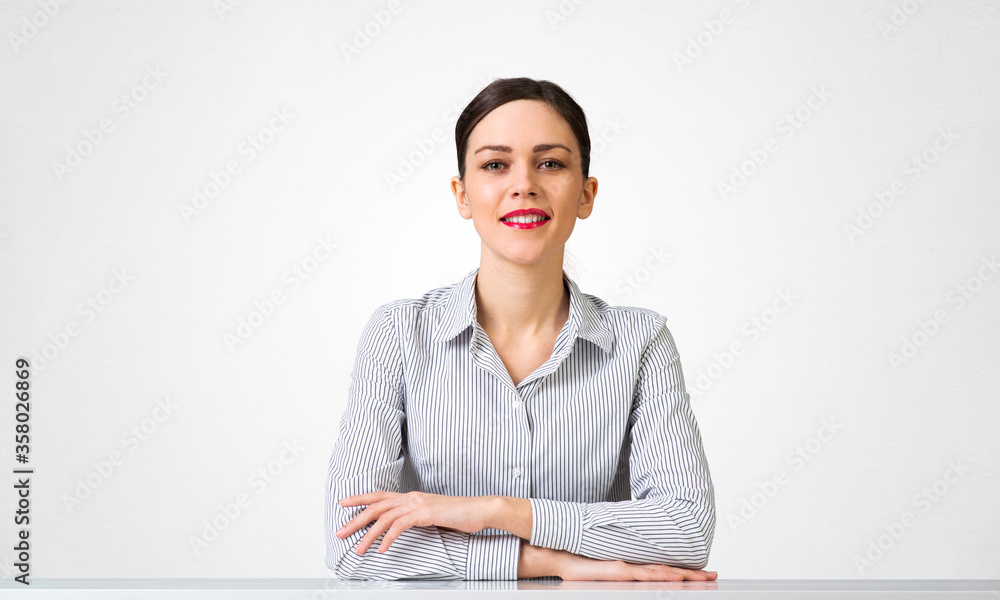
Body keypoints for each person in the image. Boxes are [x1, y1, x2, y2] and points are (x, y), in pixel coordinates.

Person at [325, 77, 717, 581]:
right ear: (462, 195)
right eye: (495, 164)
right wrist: (552, 562)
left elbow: (686, 530)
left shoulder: (640, 343)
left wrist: (499, 512)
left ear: (586, 193)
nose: (524, 183)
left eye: (550, 163)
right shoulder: (398, 334)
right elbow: (353, 543)